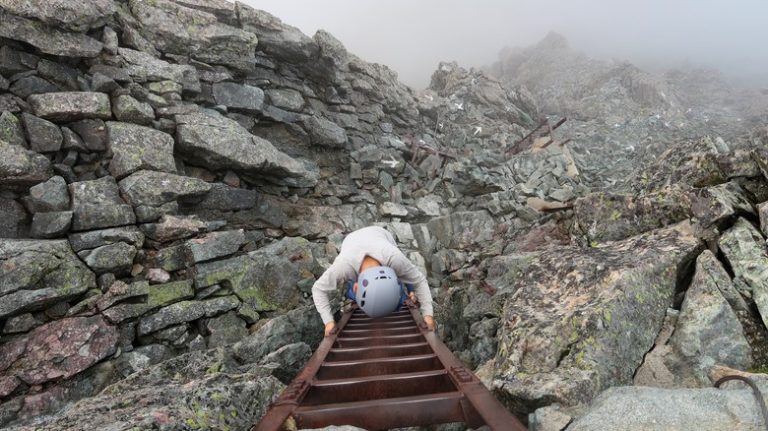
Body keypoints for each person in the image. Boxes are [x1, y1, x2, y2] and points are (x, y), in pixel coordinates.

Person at [312, 226, 435, 336]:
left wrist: (428, 316)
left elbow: (419, 280)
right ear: (355, 286)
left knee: (405, 275)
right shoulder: (343, 267)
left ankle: (406, 289)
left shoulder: (395, 258)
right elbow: (318, 289)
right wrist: (328, 322)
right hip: (351, 240)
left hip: (382, 236)